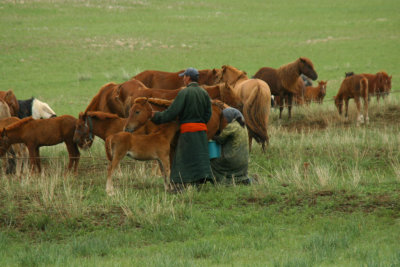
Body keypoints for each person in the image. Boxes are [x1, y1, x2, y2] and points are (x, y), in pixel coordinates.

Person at [151, 67, 213, 191]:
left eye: (184, 76)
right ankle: (198, 184)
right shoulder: (204, 93)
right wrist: (200, 123)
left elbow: (171, 113)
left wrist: (156, 117)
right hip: (201, 132)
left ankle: (180, 185)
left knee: (183, 159)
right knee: (199, 157)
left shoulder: (184, 93)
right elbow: (208, 114)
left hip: (188, 132)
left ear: (188, 78)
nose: (183, 79)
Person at [210, 107, 251, 184]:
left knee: (213, 162)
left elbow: (220, 139)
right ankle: (238, 179)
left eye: (223, 119)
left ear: (228, 117)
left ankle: (221, 181)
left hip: (233, 160)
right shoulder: (242, 125)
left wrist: (211, 135)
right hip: (244, 162)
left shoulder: (231, 126)